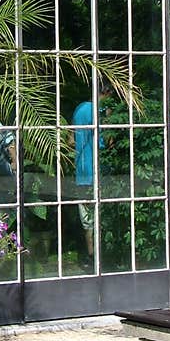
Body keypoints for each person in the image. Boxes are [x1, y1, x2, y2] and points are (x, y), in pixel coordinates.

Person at [71, 88, 107, 256]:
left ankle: (90, 255)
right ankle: (100, 257)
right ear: (107, 94)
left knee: (87, 219)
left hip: (81, 172)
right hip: (97, 170)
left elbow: (70, 140)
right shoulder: (100, 112)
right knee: (101, 216)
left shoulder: (79, 109)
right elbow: (102, 143)